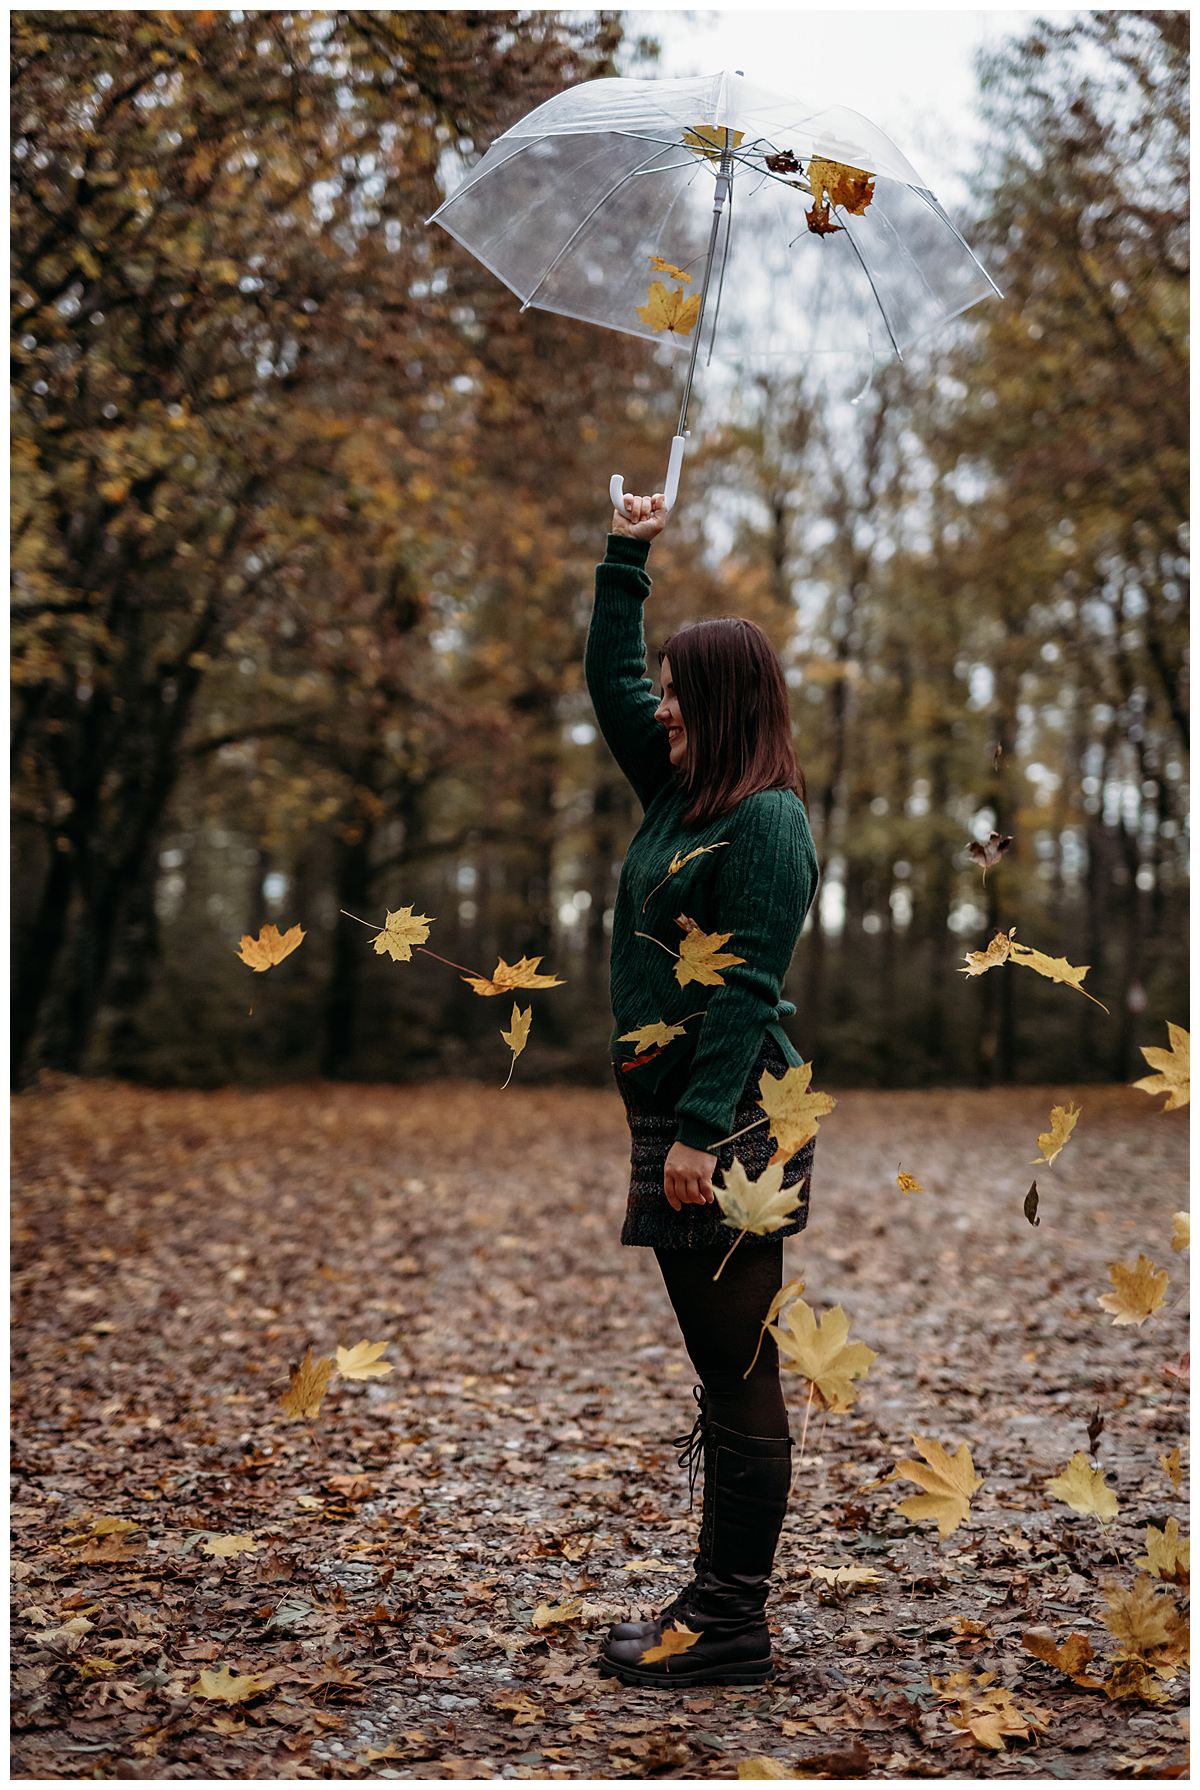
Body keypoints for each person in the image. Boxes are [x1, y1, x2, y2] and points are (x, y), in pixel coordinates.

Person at [585, 491, 822, 1689]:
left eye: (682, 687)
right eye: (666, 685)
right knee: (719, 1368)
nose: (663, 702)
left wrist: (695, 1135)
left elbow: (746, 992)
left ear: (722, 703)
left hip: (728, 1125)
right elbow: (609, 685)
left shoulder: (766, 824)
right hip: (677, 1117)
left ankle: (731, 1616)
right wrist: (627, 550)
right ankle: (718, 1600)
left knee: (739, 1373)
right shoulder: (678, 791)